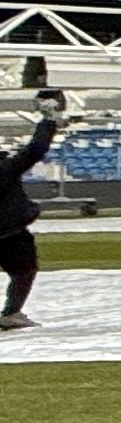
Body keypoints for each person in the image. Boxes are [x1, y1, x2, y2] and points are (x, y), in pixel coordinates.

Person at [0, 87, 58, 329]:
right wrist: (48, 120)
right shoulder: (7, 168)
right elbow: (36, 149)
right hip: (11, 232)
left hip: (11, 228)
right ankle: (11, 313)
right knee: (24, 271)